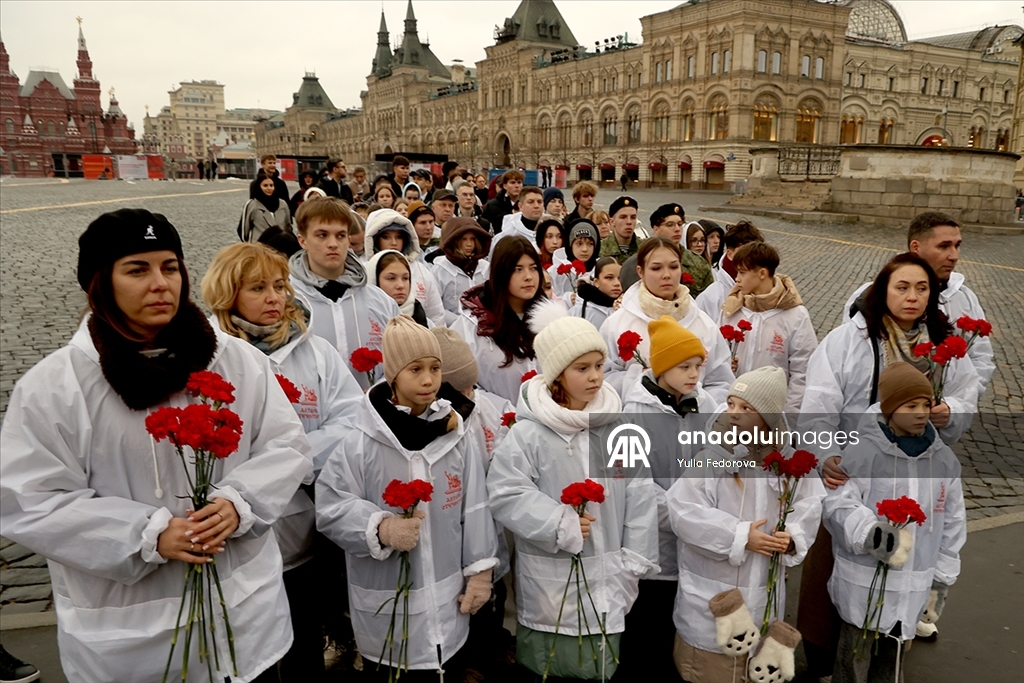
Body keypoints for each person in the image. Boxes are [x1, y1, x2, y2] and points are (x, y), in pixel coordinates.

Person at [0, 209, 311, 682]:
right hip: (136, 641)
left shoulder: (236, 361)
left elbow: (285, 444)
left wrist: (239, 501)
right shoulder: (54, 387)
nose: (160, 283)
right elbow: (31, 500)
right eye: (137, 269)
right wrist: (145, 534)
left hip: (244, 622)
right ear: (101, 282)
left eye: (170, 267)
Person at [796, 252, 980, 676]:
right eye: (902, 287)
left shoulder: (943, 344)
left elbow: (966, 392)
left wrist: (948, 410)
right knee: (837, 570)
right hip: (855, 471)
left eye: (922, 288)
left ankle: (888, 651)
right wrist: (827, 456)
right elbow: (820, 405)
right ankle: (828, 659)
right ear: (883, 290)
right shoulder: (849, 340)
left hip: (917, 468)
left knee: (905, 568)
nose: (912, 297)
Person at [202, 242, 363, 681]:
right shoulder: (207, 357)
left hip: (301, 537)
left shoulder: (317, 353)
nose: (274, 298)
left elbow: (350, 422)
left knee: (301, 649)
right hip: (232, 544)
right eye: (258, 288)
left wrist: (289, 461)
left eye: (279, 286)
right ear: (227, 294)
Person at [315, 316, 499, 681]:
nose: (429, 379)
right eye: (415, 369)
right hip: (388, 606)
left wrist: (480, 571)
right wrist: (380, 527)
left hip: (448, 601)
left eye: (435, 368)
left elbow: (475, 506)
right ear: (393, 375)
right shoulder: (361, 440)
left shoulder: (454, 436)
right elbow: (332, 506)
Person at [486, 301, 659, 680]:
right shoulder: (530, 433)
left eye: (599, 365)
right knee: (551, 666)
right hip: (552, 579)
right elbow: (505, 491)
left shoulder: (617, 427)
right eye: (582, 368)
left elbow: (641, 494)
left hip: (611, 571)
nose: (596, 376)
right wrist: (557, 521)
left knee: (600, 665)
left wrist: (634, 560)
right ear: (557, 376)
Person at [668, 367, 825, 683]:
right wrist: (739, 535)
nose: (734, 414)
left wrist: (792, 536)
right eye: (730, 404)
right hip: (712, 597)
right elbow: (682, 509)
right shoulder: (713, 458)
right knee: (708, 672)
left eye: (746, 407)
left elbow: (810, 506)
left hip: (763, 601)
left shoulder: (788, 464)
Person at [823, 362, 965, 683]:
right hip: (865, 582)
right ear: (889, 410)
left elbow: (952, 520)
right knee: (854, 657)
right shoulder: (864, 452)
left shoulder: (942, 461)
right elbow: (839, 502)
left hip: (913, 585)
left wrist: (941, 578)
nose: (920, 413)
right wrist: (873, 535)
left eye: (926, 405)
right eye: (910, 405)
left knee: (892, 658)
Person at [614, 317, 718, 681]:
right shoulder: (633, 413)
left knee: (680, 639)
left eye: (697, 366)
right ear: (660, 368)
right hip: (653, 550)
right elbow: (635, 486)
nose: (694, 374)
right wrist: (685, 515)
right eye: (683, 366)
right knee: (646, 638)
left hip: (694, 549)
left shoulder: (705, 406)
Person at [842, 212, 994, 395]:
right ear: (916, 247)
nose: (954, 255)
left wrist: (955, 404)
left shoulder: (965, 298)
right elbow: (852, 357)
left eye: (957, 245)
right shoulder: (869, 297)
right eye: (944, 246)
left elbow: (980, 358)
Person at [600, 237, 735, 401]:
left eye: (673, 267)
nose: (666, 275)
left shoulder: (703, 323)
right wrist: (643, 377)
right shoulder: (617, 324)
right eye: (656, 268)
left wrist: (695, 402)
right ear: (640, 272)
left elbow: (721, 382)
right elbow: (603, 378)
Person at [288, 198, 401, 391]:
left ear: (349, 240)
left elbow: (400, 360)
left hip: (373, 412)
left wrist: (377, 393)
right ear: (303, 240)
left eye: (340, 236)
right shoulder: (286, 301)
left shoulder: (380, 301)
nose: (333, 244)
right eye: (322, 235)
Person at [719, 242, 818, 412]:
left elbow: (803, 371)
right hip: (734, 410)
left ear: (762, 273)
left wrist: (789, 416)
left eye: (742, 272)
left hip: (772, 412)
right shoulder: (732, 309)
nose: (737, 279)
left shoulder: (795, 315)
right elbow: (715, 360)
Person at [452, 236, 542, 404]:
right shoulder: (473, 324)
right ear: (501, 272)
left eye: (534, 268)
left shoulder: (550, 317)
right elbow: (467, 386)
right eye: (518, 269)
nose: (529, 276)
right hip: (498, 422)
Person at [364, 208, 446, 327]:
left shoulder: (422, 271)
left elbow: (436, 314)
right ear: (374, 240)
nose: (394, 243)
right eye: (386, 237)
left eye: (399, 237)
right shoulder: (364, 272)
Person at [619, 203, 713, 298]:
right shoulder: (638, 261)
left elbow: (709, 299)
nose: (677, 229)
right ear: (656, 229)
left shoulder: (699, 263)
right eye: (670, 225)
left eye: (680, 224)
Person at [695, 220, 765, 321]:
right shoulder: (709, 297)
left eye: (755, 253)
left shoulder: (768, 289)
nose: (750, 258)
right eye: (743, 252)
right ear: (730, 254)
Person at [432, 216, 492, 325]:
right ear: (454, 241)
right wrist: (461, 323)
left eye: (472, 239)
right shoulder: (439, 270)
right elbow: (435, 306)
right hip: (453, 328)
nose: (469, 244)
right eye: (464, 239)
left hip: (484, 327)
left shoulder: (485, 268)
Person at [366, 249, 430, 327]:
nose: (400, 285)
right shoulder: (362, 319)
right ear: (374, 280)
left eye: (405, 278)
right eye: (391, 278)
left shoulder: (422, 318)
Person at [489, 185, 544, 257]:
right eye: (531, 202)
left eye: (539, 202)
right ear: (520, 206)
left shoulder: (552, 227)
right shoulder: (507, 233)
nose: (536, 205)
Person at [550, 219, 600, 299]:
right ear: (570, 245)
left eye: (590, 244)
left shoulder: (601, 271)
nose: (585, 249)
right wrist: (568, 300)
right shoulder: (554, 272)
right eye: (579, 244)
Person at [569, 257, 622, 330]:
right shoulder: (578, 311)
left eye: (620, 278)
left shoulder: (628, 308)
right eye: (609, 278)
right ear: (596, 282)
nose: (617, 283)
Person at [240, 174, 293, 243]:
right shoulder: (252, 204)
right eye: (265, 185)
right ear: (258, 186)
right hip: (259, 247)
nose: (269, 188)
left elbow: (288, 226)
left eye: (271, 185)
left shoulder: (282, 204)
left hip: (280, 246)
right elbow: (244, 231)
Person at [598, 196, 641, 264]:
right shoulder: (599, 248)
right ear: (612, 222)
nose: (629, 222)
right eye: (623, 217)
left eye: (633, 217)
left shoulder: (645, 248)